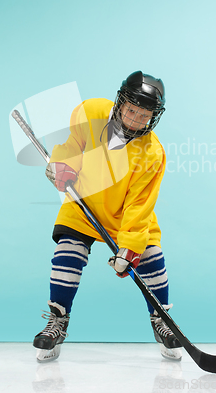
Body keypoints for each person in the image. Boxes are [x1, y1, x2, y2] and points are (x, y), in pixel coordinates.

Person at [33, 71, 182, 362]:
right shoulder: (91, 113)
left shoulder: (153, 153)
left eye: (144, 115)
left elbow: (139, 205)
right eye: (131, 110)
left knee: (151, 257)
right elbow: (71, 146)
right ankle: (57, 322)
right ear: (120, 103)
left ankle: (162, 320)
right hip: (84, 205)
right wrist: (61, 165)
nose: (136, 119)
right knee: (68, 252)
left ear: (154, 116)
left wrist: (129, 247)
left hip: (127, 218)